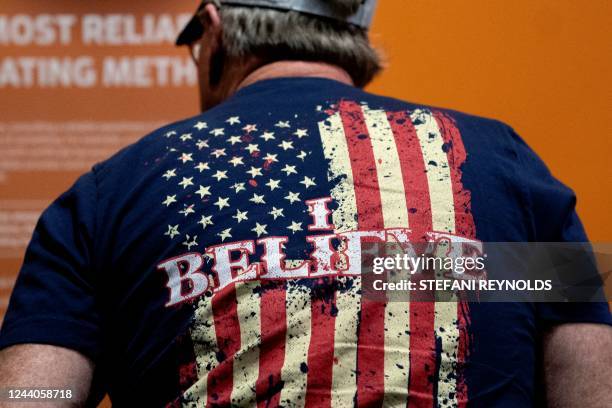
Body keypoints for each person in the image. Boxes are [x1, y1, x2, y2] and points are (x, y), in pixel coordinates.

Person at [0, 0, 610, 406]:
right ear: (354, 33)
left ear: (213, 31)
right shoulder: (502, 163)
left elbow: (33, 397)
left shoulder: (109, 194)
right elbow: (590, 381)